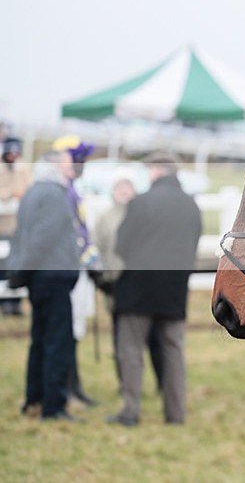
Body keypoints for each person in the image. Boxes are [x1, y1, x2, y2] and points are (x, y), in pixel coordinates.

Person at [108, 152, 201, 426]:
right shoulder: (191, 205)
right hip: (174, 289)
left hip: (137, 288)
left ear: (156, 171)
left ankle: (130, 411)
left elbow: (121, 245)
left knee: (131, 350)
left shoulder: (141, 203)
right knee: (174, 351)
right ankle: (176, 414)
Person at [9, 150, 81, 421]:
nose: (71, 171)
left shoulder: (32, 192)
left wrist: (22, 271)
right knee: (56, 343)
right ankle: (53, 406)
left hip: (39, 278)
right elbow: (43, 238)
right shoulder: (54, 194)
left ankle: (34, 399)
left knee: (39, 340)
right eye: (66, 166)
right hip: (53, 277)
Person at [92, 170, 164, 393]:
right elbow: (98, 248)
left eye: (127, 188)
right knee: (120, 337)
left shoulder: (146, 214)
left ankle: (162, 381)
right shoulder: (105, 217)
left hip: (144, 286)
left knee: (154, 337)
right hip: (115, 285)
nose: (123, 193)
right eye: (119, 189)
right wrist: (100, 277)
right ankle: (126, 383)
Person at [52, 135, 99, 406]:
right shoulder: (63, 190)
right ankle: (67, 387)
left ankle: (74, 385)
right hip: (69, 268)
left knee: (76, 326)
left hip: (80, 267)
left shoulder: (73, 188)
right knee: (68, 328)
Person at [0, 136, 33, 316]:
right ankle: (4, 302)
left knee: (17, 263)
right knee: (2, 264)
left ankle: (16, 301)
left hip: (19, 227)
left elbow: (29, 189)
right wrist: (12, 193)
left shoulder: (24, 168)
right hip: (2, 226)